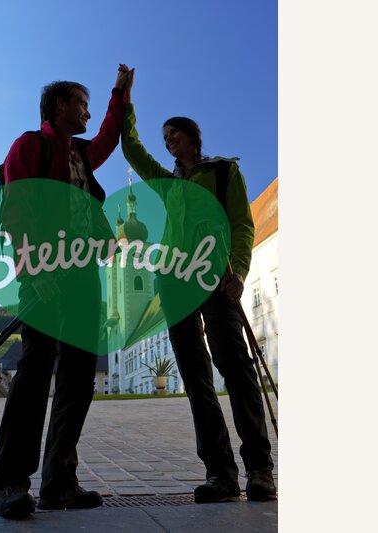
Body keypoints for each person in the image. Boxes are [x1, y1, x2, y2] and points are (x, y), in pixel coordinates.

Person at [119, 69, 277, 503]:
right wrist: (124, 100)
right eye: (165, 137)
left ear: (193, 138)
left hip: (215, 279)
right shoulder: (170, 183)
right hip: (175, 283)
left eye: (174, 135)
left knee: (237, 368)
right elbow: (132, 150)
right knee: (195, 378)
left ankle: (260, 469)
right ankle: (220, 474)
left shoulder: (224, 173)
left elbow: (242, 225)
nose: (168, 141)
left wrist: (240, 272)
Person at [0, 66, 132, 520]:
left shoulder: (83, 155)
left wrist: (119, 95)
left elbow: (110, 135)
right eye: (82, 104)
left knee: (78, 375)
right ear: (59, 106)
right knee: (34, 372)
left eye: (91, 105)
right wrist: (31, 265)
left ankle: (59, 483)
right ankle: (10, 481)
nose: (88, 113)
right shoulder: (30, 145)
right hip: (45, 269)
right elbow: (16, 204)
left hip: (84, 272)